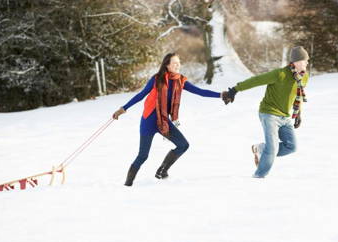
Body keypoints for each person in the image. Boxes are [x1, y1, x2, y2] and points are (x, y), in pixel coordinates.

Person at [112, 53, 226, 186]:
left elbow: (200, 92)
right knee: (143, 156)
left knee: (183, 145)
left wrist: (220, 95)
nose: (178, 65)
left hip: (164, 122)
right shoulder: (156, 79)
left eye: (179, 62)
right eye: (174, 63)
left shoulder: (180, 81)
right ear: (167, 65)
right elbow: (141, 95)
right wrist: (123, 109)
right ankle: (128, 184)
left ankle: (162, 171)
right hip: (149, 120)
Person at [222, 46, 310, 178]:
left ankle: (261, 149)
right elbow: (256, 80)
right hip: (269, 113)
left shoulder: (304, 77)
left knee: (291, 147)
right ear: (296, 62)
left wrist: (298, 113)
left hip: (285, 117)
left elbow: (298, 95)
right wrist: (234, 90)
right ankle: (259, 176)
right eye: (305, 60)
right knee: (272, 148)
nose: (307, 63)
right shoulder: (279, 74)